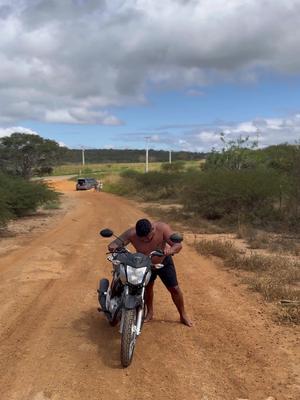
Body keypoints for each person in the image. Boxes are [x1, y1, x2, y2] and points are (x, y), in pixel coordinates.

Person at [108, 218, 192, 327]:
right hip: (144, 265)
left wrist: (171, 250)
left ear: (152, 229)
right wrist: (113, 247)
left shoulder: (162, 228)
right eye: (142, 239)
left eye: (149, 237)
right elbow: (115, 243)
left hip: (163, 262)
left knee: (174, 289)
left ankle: (183, 314)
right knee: (146, 288)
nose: (146, 240)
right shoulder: (132, 233)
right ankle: (150, 312)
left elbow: (178, 245)